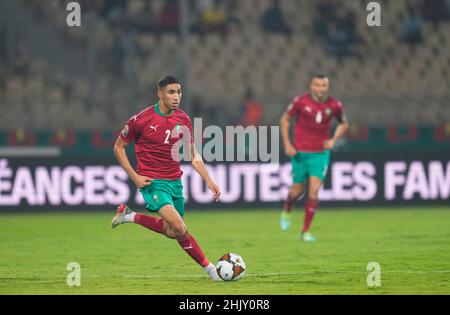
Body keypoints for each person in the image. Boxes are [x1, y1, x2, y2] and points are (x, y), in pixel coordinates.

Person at [111, 75, 222, 281]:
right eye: (171, 92)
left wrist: (208, 179)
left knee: (171, 231)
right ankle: (212, 270)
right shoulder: (141, 120)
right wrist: (134, 176)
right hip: (153, 183)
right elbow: (118, 147)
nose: (176, 96)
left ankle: (129, 216)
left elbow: (192, 153)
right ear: (160, 94)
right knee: (180, 228)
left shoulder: (183, 119)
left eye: (179, 92)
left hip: (175, 182)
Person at [279, 75, 349, 241]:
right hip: (300, 153)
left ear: (327, 87)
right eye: (317, 85)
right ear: (311, 86)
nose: (320, 89)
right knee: (297, 191)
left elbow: (344, 123)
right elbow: (285, 119)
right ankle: (288, 206)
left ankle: (305, 232)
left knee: (314, 190)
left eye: (323, 85)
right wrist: (287, 144)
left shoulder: (334, 105)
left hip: (320, 154)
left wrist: (333, 140)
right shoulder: (300, 102)